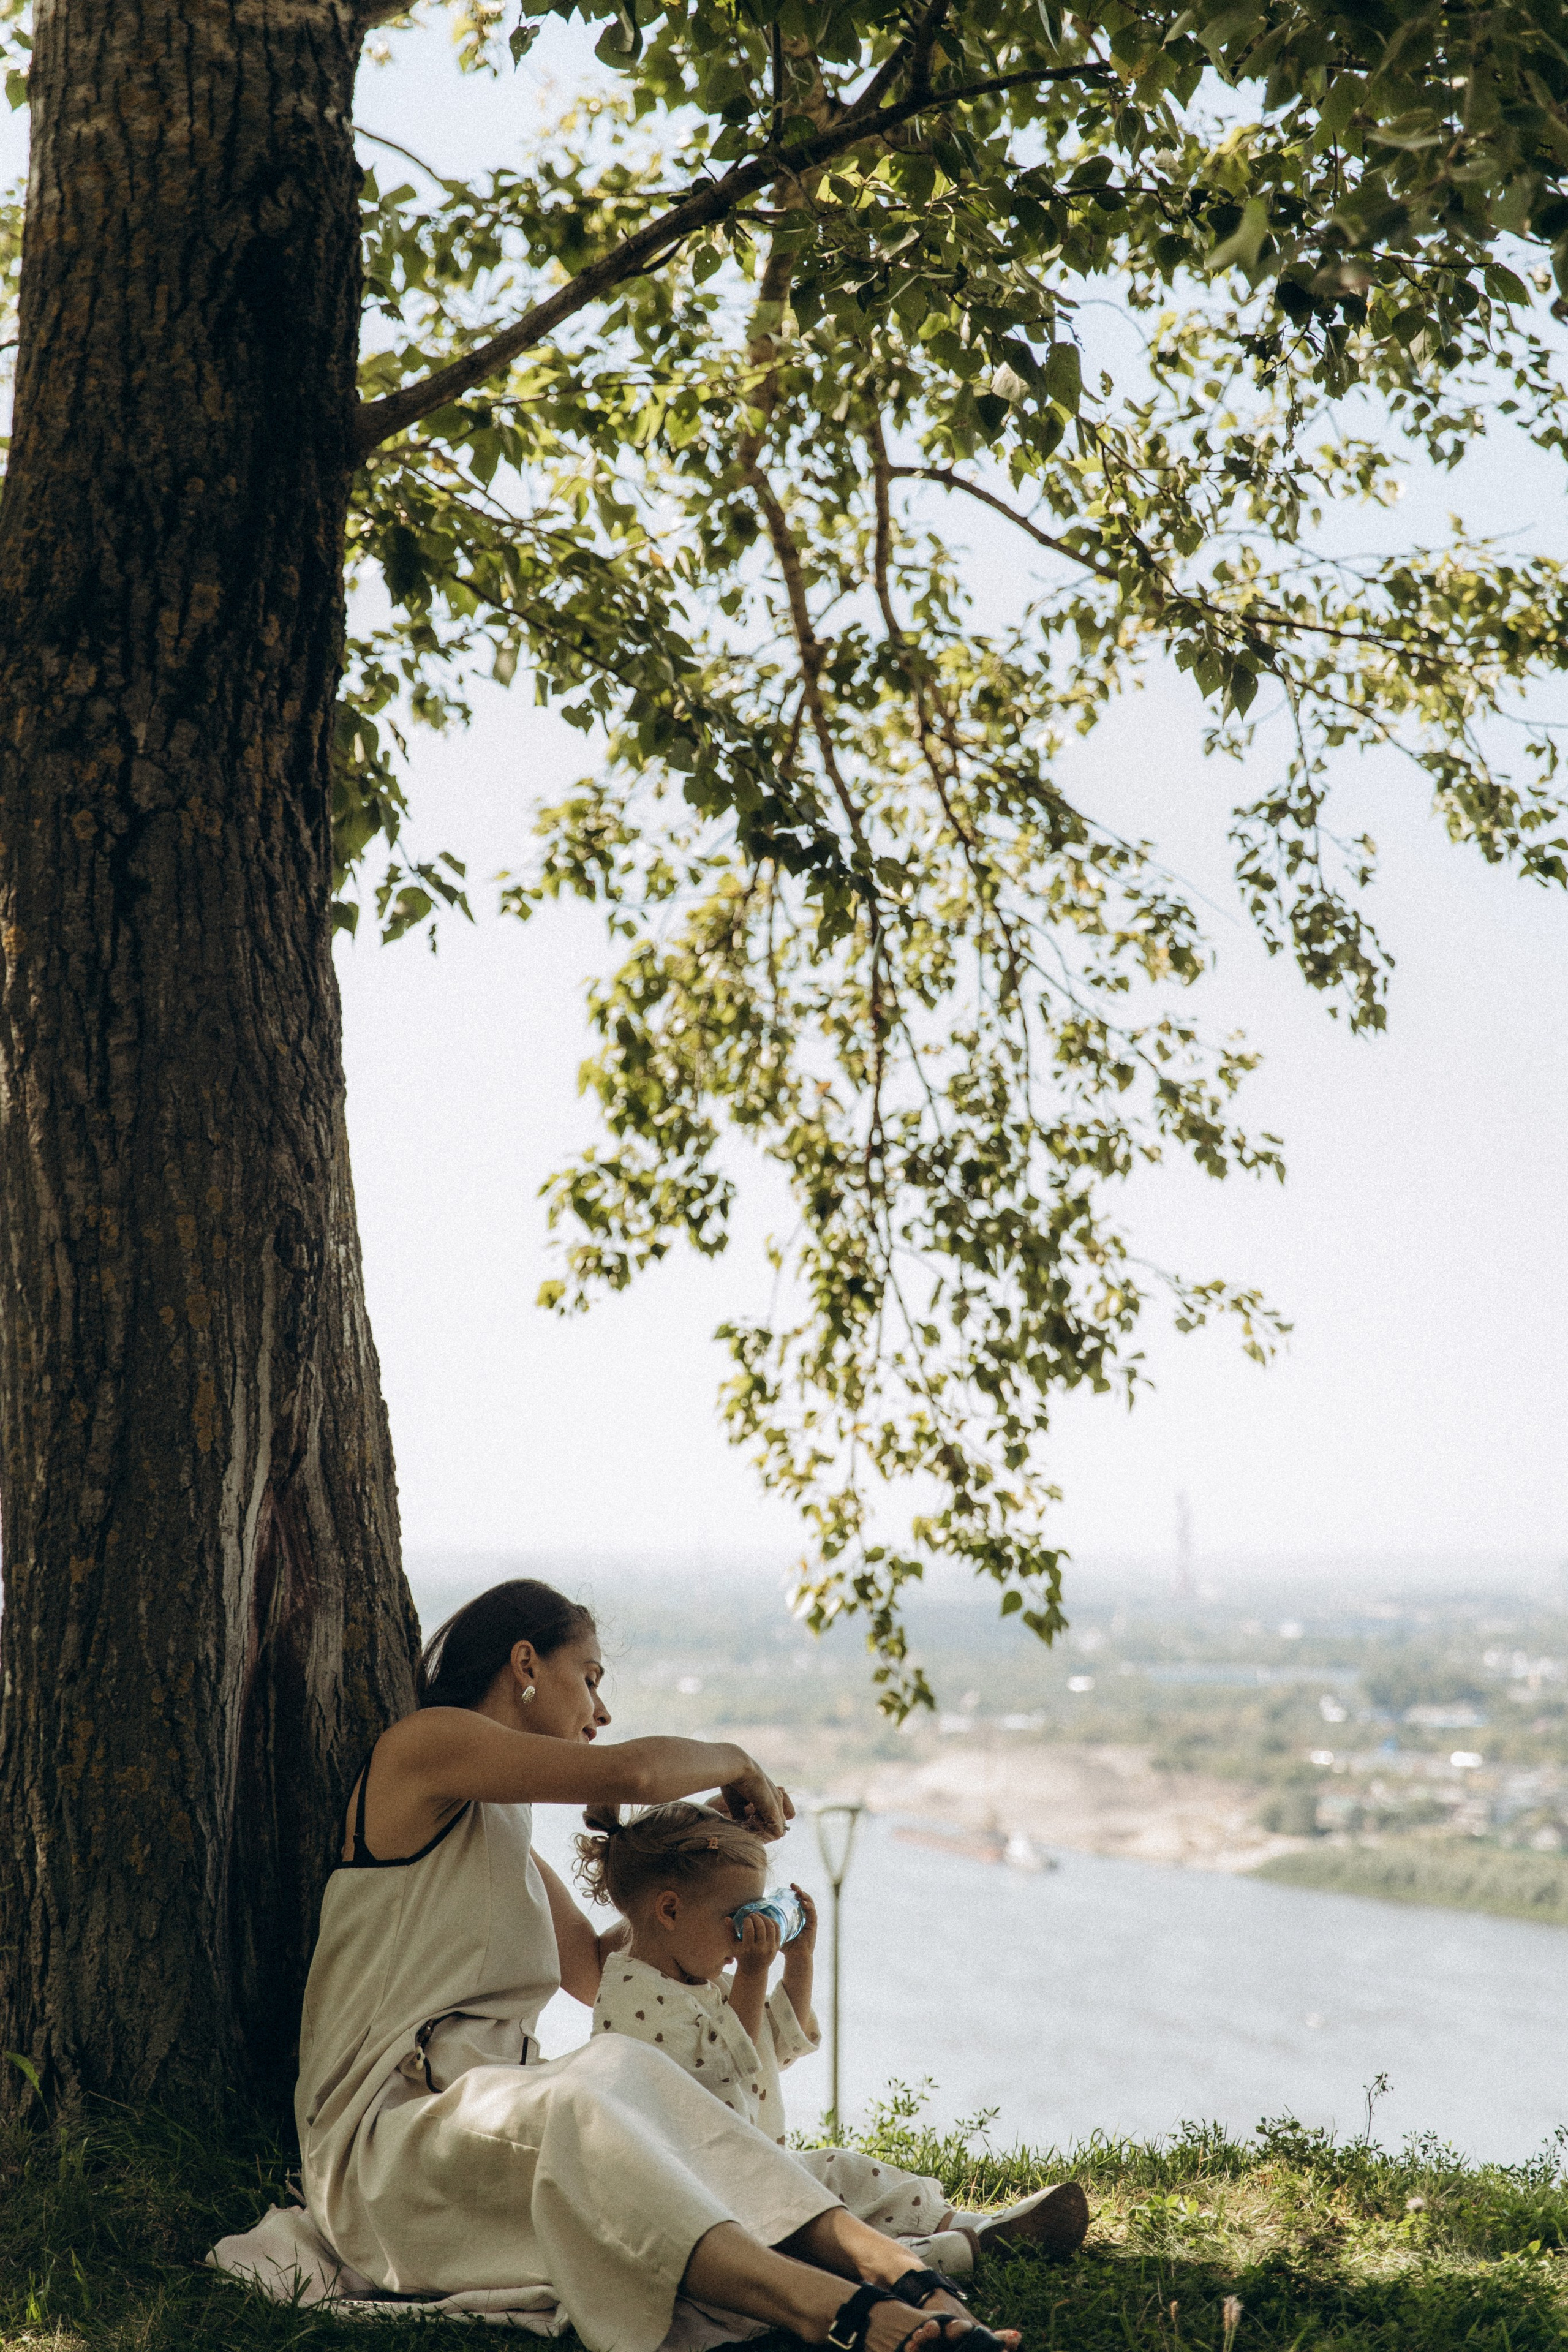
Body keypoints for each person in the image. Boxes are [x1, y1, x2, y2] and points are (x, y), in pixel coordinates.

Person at [293, 1578, 1046, 2352]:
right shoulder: (422, 1747)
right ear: (525, 1664)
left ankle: (902, 2276)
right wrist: (739, 1763)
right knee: (600, 2088)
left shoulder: (497, 1829)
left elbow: (593, 1967)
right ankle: (839, 2309)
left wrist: (692, 1872)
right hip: (387, 2151)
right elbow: (633, 1776)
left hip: (495, 2122)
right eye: (588, 1678)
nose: (601, 1709)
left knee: (633, 2082)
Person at [578, 1800, 1089, 2276]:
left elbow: (773, 2045)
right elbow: (727, 2064)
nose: (745, 1940)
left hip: (752, 2173)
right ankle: (959, 2254)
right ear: (670, 1912)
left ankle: (968, 2224)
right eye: (736, 1921)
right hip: (701, 2196)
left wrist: (797, 1963)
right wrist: (755, 1974)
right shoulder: (630, 1996)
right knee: (811, 2239)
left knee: (841, 2171)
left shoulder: (700, 1979)